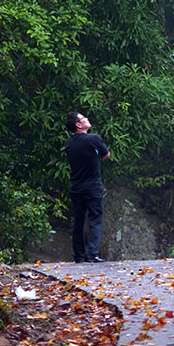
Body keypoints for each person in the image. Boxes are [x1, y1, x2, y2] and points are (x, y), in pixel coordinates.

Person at [64, 111, 110, 264]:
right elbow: (106, 154)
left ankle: (79, 255)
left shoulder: (69, 143)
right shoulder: (93, 139)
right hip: (93, 185)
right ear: (78, 125)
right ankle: (92, 254)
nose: (87, 119)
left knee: (78, 220)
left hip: (76, 186)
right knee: (95, 218)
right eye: (84, 118)